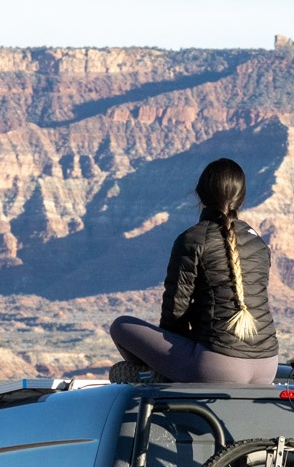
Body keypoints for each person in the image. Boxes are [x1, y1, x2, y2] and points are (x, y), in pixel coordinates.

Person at [109, 158, 279, 384]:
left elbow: (174, 314)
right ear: (241, 197)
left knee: (121, 327)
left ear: (200, 194)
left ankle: (161, 377)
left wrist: (179, 353)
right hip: (268, 366)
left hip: (216, 367)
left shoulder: (193, 239)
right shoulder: (258, 243)